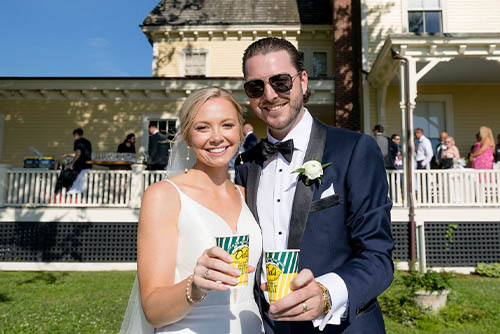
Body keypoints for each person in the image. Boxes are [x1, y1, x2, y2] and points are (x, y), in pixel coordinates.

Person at [236, 37, 393, 334]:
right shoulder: (246, 166)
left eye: (281, 81)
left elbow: (378, 257)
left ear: (303, 81)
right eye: (256, 87)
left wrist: (326, 293)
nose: (269, 95)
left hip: (342, 327)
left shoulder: (356, 149)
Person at [120, 87, 264, 334]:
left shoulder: (246, 194)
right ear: (187, 136)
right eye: (202, 127)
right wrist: (195, 286)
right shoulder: (164, 196)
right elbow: (153, 311)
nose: (217, 137)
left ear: (241, 131)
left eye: (227, 125)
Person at [58, 128, 92, 194]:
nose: (74, 137)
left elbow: (78, 154)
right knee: (79, 183)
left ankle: (67, 194)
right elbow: (80, 154)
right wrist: (67, 155)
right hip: (88, 166)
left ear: (76, 134)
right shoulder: (88, 142)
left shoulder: (77, 141)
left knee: (65, 177)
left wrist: (72, 164)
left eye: (74, 136)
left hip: (80, 166)